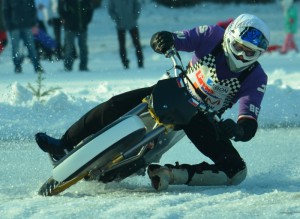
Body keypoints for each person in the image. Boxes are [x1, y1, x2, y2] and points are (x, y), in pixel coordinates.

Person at [35, 14, 270, 191]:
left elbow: (249, 118)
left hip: (200, 117)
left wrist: (237, 129)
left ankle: (170, 174)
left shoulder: (256, 77)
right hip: (176, 90)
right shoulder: (211, 35)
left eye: (250, 53)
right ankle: (64, 144)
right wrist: (163, 40)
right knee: (116, 104)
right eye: (239, 47)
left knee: (236, 171)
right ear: (229, 37)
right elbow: (180, 39)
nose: (241, 56)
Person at [2, 0, 44, 73]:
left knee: (31, 47)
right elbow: (5, 11)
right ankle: (17, 66)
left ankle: (37, 66)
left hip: (27, 25)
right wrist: (8, 25)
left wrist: (33, 22)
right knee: (15, 48)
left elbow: (33, 9)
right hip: (14, 26)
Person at [59, 0, 94, 71]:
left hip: (83, 27)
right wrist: (67, 19)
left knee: (83, 47)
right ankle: (67, 67)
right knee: (69, 47)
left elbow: (90, 10)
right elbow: (61, 9)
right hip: (69, 27)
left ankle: (83, 66)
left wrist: (86, 20)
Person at [108, 0, 144, 69]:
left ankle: (140, 62)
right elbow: (110, 10)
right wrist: (116, 19)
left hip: (132, 24)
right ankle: (124, 63)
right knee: (122, 45)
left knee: (137, 44)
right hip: (120, 25)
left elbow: (137, 5)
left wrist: (134, 16)